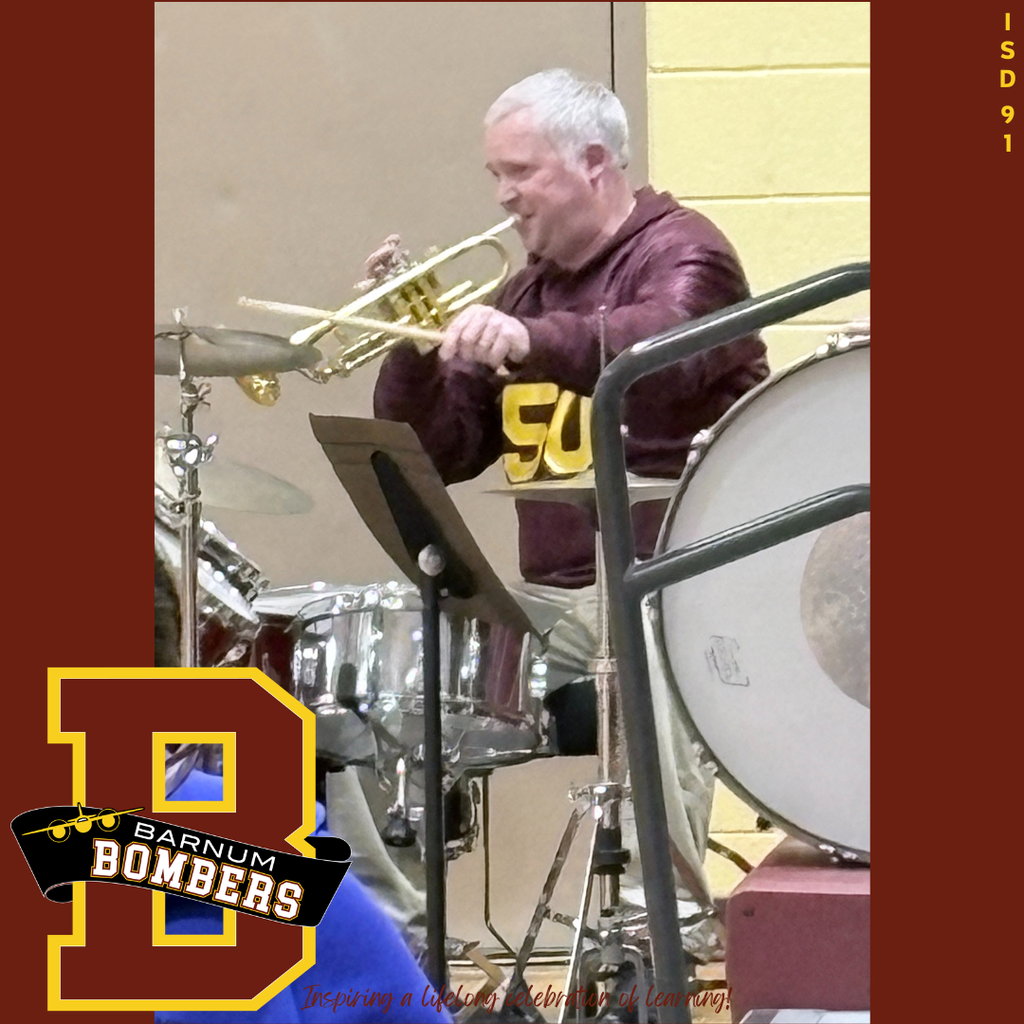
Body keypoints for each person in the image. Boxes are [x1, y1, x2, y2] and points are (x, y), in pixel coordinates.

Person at [373, 68, 770, 957]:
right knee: (396, 673)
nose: (505, 198)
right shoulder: (526, 287)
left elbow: (659, 354)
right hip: (554, 595)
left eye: (520, 173)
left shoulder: (686, 252)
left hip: (677, 581)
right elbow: (444, 451)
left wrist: (532, 341)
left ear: (593, 162)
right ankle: (417, 926)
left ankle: (669, 937)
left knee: (643, 671)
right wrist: (412, 350)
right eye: (496, 177)